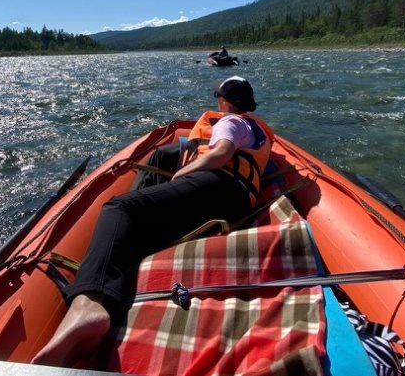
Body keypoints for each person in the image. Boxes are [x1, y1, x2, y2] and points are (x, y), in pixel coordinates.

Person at [32, 76, 274, 367]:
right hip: (236, 201)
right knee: (145, 213)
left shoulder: (229, 121)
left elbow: (221, 153)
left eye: (217, 96)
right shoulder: (256, 130)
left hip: (218, 187)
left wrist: (184, 173)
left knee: (119, 208)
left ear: (225, 100)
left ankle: (89, 304)